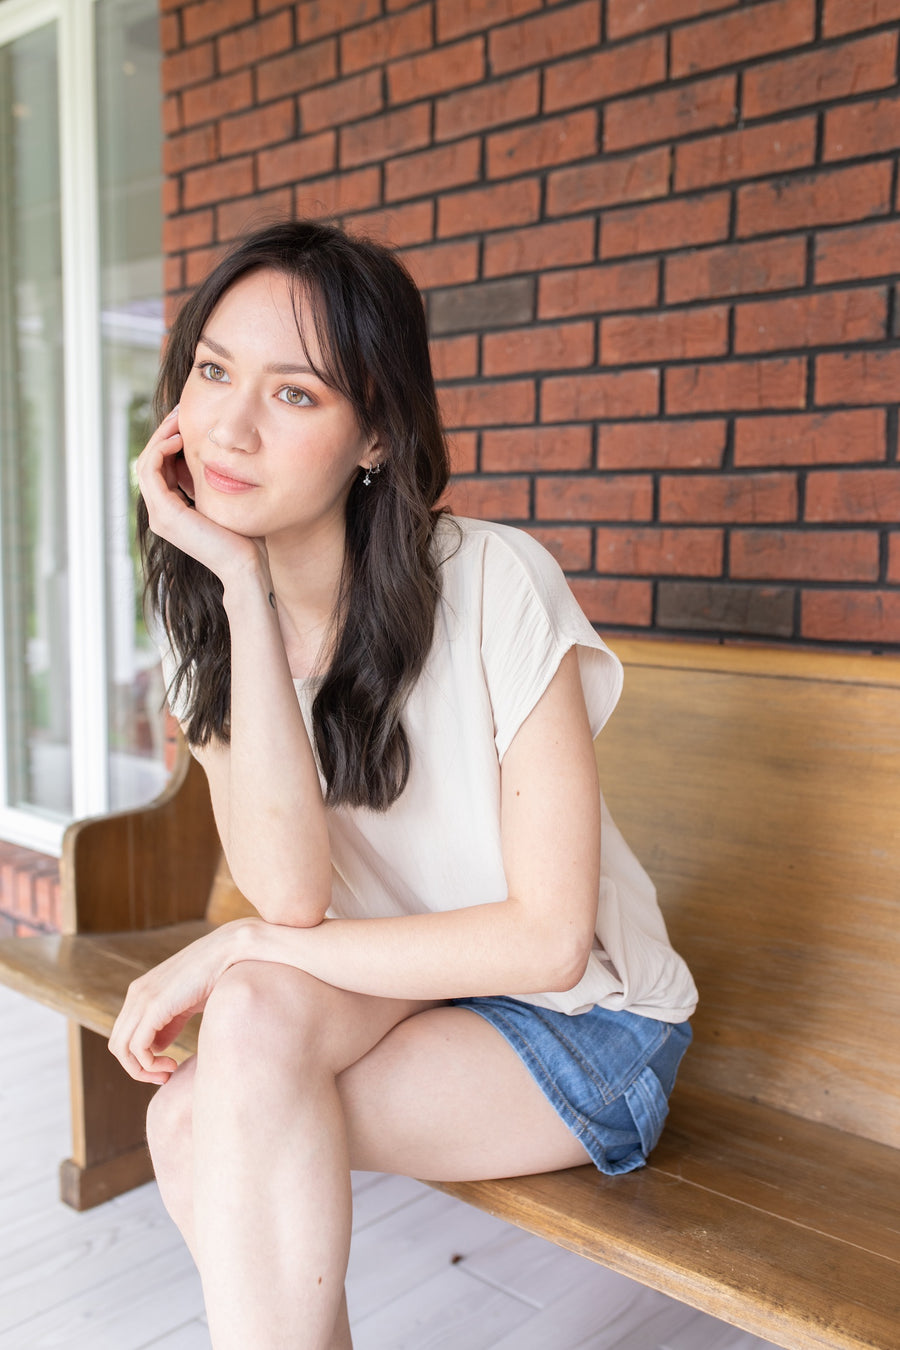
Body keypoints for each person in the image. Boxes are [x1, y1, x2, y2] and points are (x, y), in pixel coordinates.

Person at [108, 219, 697, 1350]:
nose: (227, 424)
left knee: (200, 1115)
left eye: (295, 395)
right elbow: (286, 900)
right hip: (410, 988)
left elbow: (547, 944)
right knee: (244, 1030)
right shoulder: (210, 625)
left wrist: (241, 949)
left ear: (374, 433)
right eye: (214, 370)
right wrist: (239, 587)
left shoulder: (492, 582)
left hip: (591, 1029)